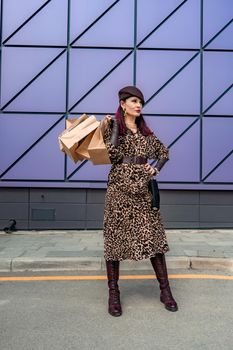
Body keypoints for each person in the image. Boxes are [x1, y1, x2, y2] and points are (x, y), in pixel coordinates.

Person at [102, 86, 178, 317]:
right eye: (133, 101)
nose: (138, 105)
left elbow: (164, 152)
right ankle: (113, 294)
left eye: (140, 102)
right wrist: (113, 126)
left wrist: (155, 168)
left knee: (153, 238)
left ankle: (165, 291)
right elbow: (112, 155)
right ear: (122, 104)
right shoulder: (114, 128)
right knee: (115, 241)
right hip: (119, 191)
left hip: (143, 192)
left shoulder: (146, 133)